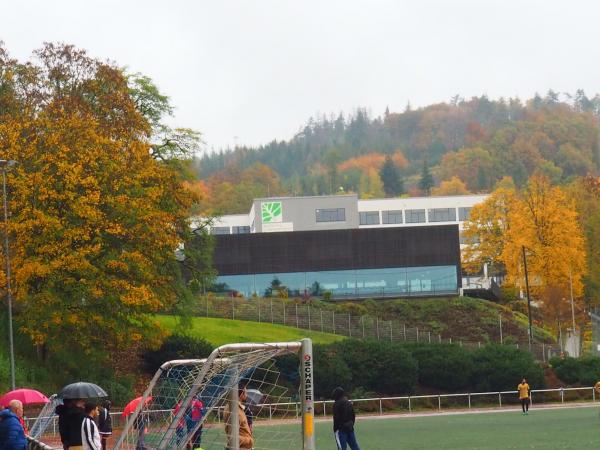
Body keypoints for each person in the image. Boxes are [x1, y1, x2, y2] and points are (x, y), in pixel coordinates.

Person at [223, 385, 253, 450]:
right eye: (246, 393)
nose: (247, 395)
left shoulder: (231, 406)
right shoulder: (235, 410)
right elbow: (233, 437)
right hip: (240, 447)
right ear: (241, 394)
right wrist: (249, 440)